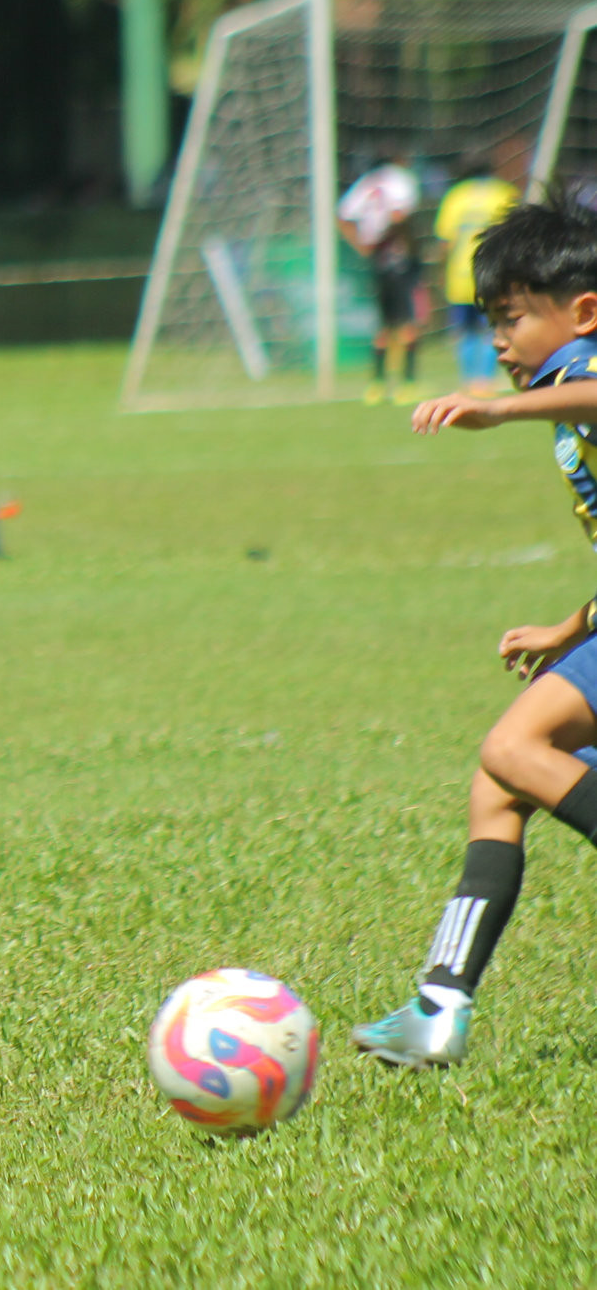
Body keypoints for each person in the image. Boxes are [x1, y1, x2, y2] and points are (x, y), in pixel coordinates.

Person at [356, 193, 597, 1068]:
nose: (496, 341)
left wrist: (498, 411)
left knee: (514, 745)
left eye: (511, 318)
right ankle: (438, 1004)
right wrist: (570, 627)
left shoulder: (584, 376)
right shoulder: (566, 398)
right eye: (490, 319)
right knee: (497, 788)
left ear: (582, 312)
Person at [338, 152, 423, 405]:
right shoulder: (400, 180)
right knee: (407, 321)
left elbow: (343, 216)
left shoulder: (365, 183)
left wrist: (363, 245)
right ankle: (407, 384)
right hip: (397, 259)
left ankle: (377, 384)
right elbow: (399, 215)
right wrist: (386, 238)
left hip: (377, 262)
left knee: (383, 324)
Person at [435, 154, 521, 392]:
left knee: (464, 330)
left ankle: (468, 378)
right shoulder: (504, 193)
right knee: (492, 327)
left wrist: (441, 271)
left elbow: (445, 241)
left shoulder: (456, 196)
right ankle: (485, 380)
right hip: (494, 273)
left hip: (460, 275)